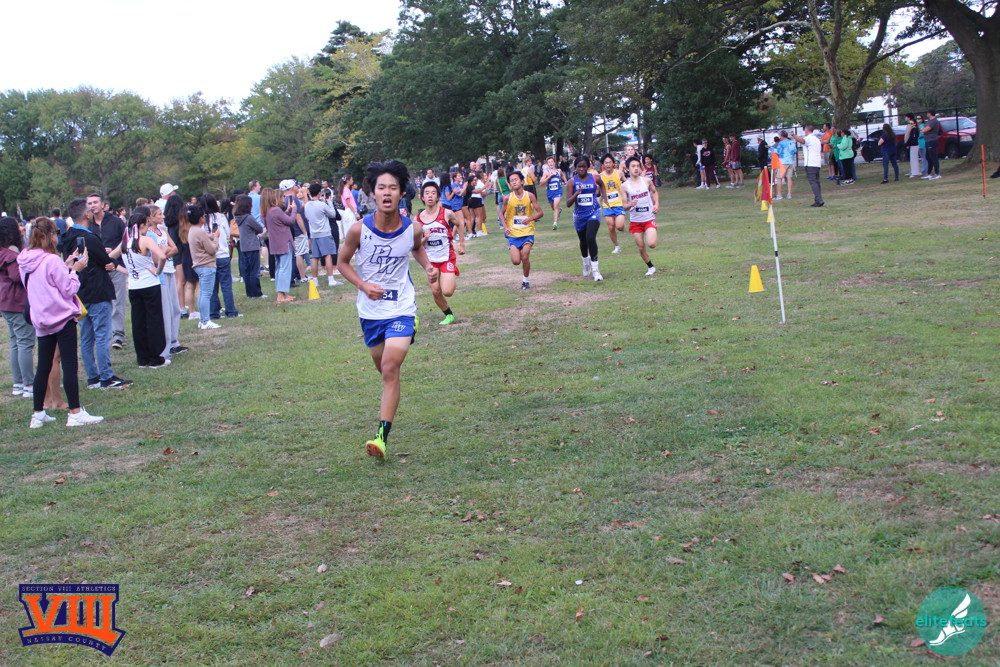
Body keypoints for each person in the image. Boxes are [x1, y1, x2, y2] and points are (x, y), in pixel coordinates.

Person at [336, 160, 435, 459]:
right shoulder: (358, 230)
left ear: (402, 193)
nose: (387, 192)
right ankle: (391, 396)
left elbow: (416, 246)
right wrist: (363, 285)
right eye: (382, 187)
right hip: (370, 313)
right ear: (373, 193)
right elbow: (342, 263)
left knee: (390, 368)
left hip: (402, 308)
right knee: (385, 372)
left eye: (393, 187)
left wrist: (428, 266)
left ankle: (381, 437)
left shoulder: (413, 229)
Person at [18, 218, 103, 428]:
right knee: (69, 365)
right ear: (51, 236)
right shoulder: (52, 260)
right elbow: (69, 289)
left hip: (41, 319)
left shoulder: (25, 260)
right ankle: (75, 412)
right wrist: (75, 271)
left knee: (43, 366)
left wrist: (66, 267)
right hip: (61, 318)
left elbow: (42, 281)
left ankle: (38, 414)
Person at [59, 199, 132, 390]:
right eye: (90, 210)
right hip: (97, 290)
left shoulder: (67, 237)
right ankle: (106, 377)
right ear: (86, 214)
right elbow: (104, 260)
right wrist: (108, 260)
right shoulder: (89, 237)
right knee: (102, 335)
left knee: (86, 336)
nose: (92, 212)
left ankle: (93, 377)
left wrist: (105, 259)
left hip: (80, 291)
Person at [117, 207, 169, 368]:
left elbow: (110, 257)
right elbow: (162, 256)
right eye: (147, 224)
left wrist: (124, 270)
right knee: (154, 321)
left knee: (138, 322)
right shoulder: (145, 240)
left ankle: (142, 358)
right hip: (149, 284)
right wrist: (157, 271)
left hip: (134, 286)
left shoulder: (125, 241)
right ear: (141, 225)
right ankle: (155, 358)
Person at [416, 180, 464, 325]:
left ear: (438, 197)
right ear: (422, 197)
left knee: (447, 291)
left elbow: (460, 223)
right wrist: (425, 238)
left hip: (446, 257)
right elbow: (416, 245)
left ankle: (450, 274)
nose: (430, 196)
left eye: (433, 193)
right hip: (430, 260)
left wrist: (461, 244)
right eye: (427, 193)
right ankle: (448, 315)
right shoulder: (417, 220)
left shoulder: (447, 213)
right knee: (436, 291)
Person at [144, 205, 186, 358]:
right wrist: (164, 251)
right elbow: (156, 258)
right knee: (165, 311)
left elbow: (174, 248)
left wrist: (165, 251)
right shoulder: (148, 235)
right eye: (159, 214)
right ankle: (165, 347)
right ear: (151, 217)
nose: (163, 216)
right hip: (159, 274)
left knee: (175, 308)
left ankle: (175, 342)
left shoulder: (163, 229)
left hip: (169, 270)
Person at [86, 193, 127, 349]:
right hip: (97, 270)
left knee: (118, 302)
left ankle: (118, 335)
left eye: (95, 202)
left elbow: (126, 241)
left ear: (103, 204)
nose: (93, 205)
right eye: (90, 203)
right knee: (101, 304)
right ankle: (104, 335)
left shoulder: (116, 222)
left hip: (116, 267)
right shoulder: (88, 225)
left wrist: (112, 254)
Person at [1, 216, 34, 398]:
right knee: (25, 343)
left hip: (5, 303)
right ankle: (28, 384)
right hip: (17, 303)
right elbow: (17, 276)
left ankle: (18, 383)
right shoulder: (11, 256)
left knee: (15, 342)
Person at [566, 156, 607, 282]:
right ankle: (585, 262)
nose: (582, 169)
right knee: (583, 241)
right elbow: (568, 203)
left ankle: (595, 270)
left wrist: (605, 198)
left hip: (594, 212)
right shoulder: (571, 182)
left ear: (588, 167)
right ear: (575, 167)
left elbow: (602, 184)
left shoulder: (594, 178)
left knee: (590, 238)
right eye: (579, 166)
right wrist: (576, 194)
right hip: (579, 216)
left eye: (584, 166)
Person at [501, 170, 543, 290]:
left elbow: (540, 213)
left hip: (527, 232)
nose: (514, 182)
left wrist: (530, 218)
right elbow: (501, 214)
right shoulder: (507, 198)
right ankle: (513, 248)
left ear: (522, 181)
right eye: (511, 181)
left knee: (525, 257)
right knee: (516, 261)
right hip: (513, 233)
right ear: (509, 184)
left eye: (516, 179)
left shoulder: (530, 195)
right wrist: (505, 227)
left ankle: (525, 281)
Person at [622, 157, 659, 276]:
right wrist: (630, 204)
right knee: (641, 247)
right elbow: (624, 206)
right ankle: (651, 267)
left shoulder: (646, 181)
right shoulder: (625, 186)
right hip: (635, 221)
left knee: (652, 244)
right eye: (633, 166)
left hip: (648, 218)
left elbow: (654, 192)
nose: (636, 168)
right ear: (627, 169)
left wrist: (656, 204)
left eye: (638, 166)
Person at [186, 205, 222, 329]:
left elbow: (203, 243)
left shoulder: (192, 230)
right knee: (206, 294)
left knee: (203, 294)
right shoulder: (200, 231)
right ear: (200, 218)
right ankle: (206, 321)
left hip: (199, 265)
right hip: (206, 265)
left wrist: (210, 237)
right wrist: (216, 238)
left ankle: (203, 320)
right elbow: (212, 249)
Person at [262, 188, 298, 303]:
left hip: (275, 243)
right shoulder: (276, 210)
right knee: (284, 268)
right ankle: (280, 295)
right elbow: (290, 221)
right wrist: (294, 210)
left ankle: (282, 293)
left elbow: (280, 221)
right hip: (283, 242)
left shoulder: (266, 212)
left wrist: (287, 211)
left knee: (279, 268)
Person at [304, 182, 342, 286]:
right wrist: (329, 202)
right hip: (324, 233)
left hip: (314, 233)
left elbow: (307, 217)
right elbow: (333, 214)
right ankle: (331, 279)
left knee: (315, 257)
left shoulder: (307, 205)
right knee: (328, 255)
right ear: (319, 193)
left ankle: (315, 281)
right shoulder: (321, 205)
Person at [233, 195, 265, 298]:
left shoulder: (238, 217)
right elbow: (259, 228)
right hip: (252, 245)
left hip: (243, 246)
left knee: (247, 271)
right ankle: (257, 293)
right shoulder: (248, 217)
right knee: (254, 271)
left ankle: (249, 293)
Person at [791, 124, 824, 207]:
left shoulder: (809, 138)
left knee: (813, 181)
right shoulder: (816, 139)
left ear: (807, 130)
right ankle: (818, 199)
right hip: (817, 163)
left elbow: (802, 141)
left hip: (810, 163)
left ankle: (819, 199)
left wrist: (794, 135)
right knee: (816, 181)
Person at [598, 154, 625, 254]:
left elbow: (627, 183)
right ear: (603, 164)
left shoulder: (619, 173)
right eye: (606, 163)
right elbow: (598, 191)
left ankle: (622, 227)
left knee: (619, 226)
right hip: (607, 205)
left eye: (610, 162)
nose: (608, 164)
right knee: (611, 227)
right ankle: (617, 246)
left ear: (613, 163)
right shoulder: (600, 176)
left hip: (619, 203)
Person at [541, 156, 565, 230]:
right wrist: (548, 177)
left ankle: (555, 223)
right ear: (547, 164)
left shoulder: (559, 170)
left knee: (555, 206)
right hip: (550, 192)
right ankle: (559, 211)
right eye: (549, 162)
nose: (551, 163)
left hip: (558, 190)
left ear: (554, 162)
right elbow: (541, 182)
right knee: (553, 208)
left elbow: (563, 175)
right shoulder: (546, 172)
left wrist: (566, 181)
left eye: (552, 161)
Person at [775, 130, 797, 199]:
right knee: (789, 178)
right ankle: (789, 194)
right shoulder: (791, 142)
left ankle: (779, 195)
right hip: (790, 161)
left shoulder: (781, 143)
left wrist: (771, 148)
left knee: (779, 178)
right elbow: (795, 151)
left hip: (783, 162)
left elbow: (778, 152)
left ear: (781, 136)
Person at [921, 109, 942, 180]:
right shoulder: (929, 121)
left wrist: (924, 130)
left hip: (932, 141)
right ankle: (929, 173)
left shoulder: (934, 121)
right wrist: (924, 129)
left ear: (930, 113)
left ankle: (937, 173)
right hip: (927, 141)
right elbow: (923, 129)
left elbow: (924, 130)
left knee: (933, 157)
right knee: (928, 157)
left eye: (927, 113)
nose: (927, 114)